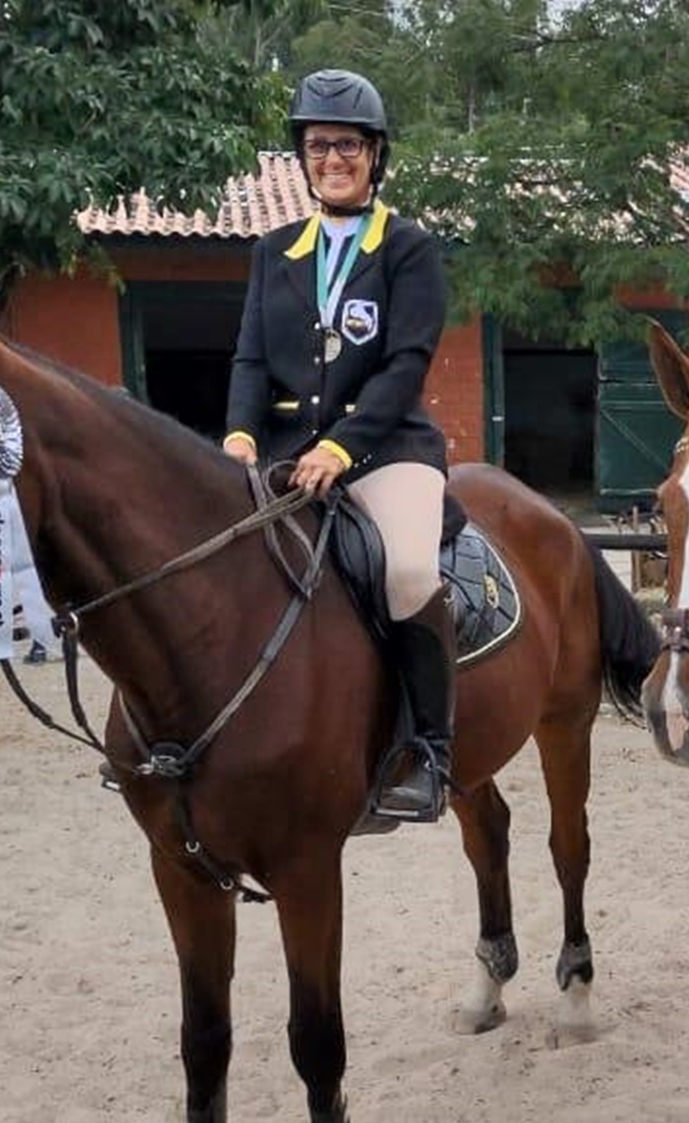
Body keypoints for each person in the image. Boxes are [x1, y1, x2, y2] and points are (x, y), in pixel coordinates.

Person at [224, 68, 454, 829]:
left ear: (375, 154)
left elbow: (406, 365)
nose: (334, 158)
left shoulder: (409, 249)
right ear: (303, 154)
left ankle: (429, 749)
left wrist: (344, 450)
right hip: (286, 448)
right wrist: (240, 436)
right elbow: (251, 360)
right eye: (320, 144)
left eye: (348, 145)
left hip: (387, 446)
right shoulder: (273, 250)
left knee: (411, 571)